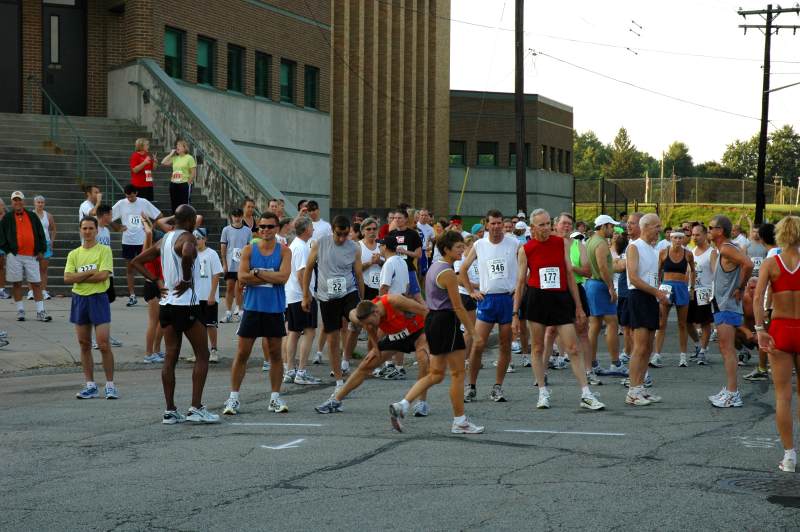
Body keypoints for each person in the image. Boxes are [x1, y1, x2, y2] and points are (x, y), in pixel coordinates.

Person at [130, 204, 219, 424]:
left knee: (170, 357)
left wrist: (157, 281)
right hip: (185, 304)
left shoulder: (166, 238)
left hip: (167, 303)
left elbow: (136, 261)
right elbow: (188, 252)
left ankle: (170, 410)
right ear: (189, 221)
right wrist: (187, 279)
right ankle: (196, 408)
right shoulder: (187, 237)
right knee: (203, 355)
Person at [389, 231, 484, 434]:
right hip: (445, 321)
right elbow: (458, 307)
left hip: (433, 320)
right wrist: (473, 333)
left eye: (462, 246)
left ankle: (402, 405)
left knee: (436, 374)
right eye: (458, 247)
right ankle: (460, 421)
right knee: (458, 373)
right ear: (447, 249)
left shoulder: (436, 267)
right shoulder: (448, 273)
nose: (462, 250)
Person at [514, 209, 604, 410]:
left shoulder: (561, 243)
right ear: (533, 228)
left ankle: (586, 394)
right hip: (537, 298)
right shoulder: (526, 249)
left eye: (548, 224)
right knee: (537, 347)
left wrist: (579, 307)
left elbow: (570, 276)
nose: (546, 228)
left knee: (572, 347)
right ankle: (542, 392)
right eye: (542, 225)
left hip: (561, 298)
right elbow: (520, 282)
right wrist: (514, 313)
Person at [223, 213, 292, 415]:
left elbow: (283, 277)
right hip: (252, 308)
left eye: (270, 227)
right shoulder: (248, 250)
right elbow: (242, 277)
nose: (265, 230)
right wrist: (267, 275)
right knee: (242, 353)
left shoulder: (284, 252)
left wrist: (257, 273)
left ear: (277, 228)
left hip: (274, 309)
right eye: (262, 227)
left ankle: (275, 398)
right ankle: (233, 398)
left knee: (275, 355)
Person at [317, 294, 431, 415]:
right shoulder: (364, 316)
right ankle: (335, 401)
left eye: (370, 322)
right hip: (397, 336)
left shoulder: (394, 301)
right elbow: (369, 327)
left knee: (423, 359)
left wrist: (430, 337)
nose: (369, 326)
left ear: (376, 313)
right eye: (365, 324)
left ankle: (422, 403)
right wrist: (376, 348)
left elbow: (425, 312)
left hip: (419, 330)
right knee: (366, 364)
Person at [754, 215, 800, 472]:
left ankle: (790, 456)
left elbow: (758, 297)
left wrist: (760, 329)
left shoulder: (771, 263)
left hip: (781, 329)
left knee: (783, 396)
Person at [460, 209, 519, 403]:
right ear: (487, 225)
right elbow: (463, 269)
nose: (496, 227)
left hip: (506, 299)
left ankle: (497, 387)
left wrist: (518, 292)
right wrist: (471, 291)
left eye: (499, 223)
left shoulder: (514, 243)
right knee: (478, 344)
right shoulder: (479, 244)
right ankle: (471, 386)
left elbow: (524, 270)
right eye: (492, 223)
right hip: (487, 300)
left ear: (503, 224)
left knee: (505, 345)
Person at [303, 215, 364, 391]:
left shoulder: (354, 248)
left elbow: (359, 275)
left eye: (346, 234)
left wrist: (362, 299)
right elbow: (308, 269)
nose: (342, 238)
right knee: (333, 338)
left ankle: (373, 351)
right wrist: (306, 295)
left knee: (358, 317)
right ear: (333, 231)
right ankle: (338, 380)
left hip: (348, 291)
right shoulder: (320, 243)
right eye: (339, 234)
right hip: (327, 297)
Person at [65, 216, 117, 399]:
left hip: (98, 299)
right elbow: (67, 278)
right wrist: (89, 272)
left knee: (103, 344)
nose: (87, 231)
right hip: (79, 299)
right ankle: (90, 385)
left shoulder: (104, 250)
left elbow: (103, 275)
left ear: (97, 230)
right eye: (84, 228)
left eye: (90, 228)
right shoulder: (74, 254)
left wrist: (79, 276)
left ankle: (110, 385)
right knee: (84, 344)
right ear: (80, 230)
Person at [707, 215, 754, 408]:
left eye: (711, 228)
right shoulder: (725, 249)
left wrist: (740, 287)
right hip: (724, 304)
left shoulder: (726, 248)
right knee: (727, 349)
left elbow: (749, 264)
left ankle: (733, 393)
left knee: (727, 350)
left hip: (726, 305)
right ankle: (730, 389)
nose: (708, 230)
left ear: (720, 231)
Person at [625, 213, 669, 406]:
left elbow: (653, 277)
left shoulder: (653, 250)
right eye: (656, 226)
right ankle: (632, 391)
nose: (659, 230)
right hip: (638, 297)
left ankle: (640, 387)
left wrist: (657, 298)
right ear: (646, 227)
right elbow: (633, 277)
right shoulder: (634, 247)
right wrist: (656, 293)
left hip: (650, 298)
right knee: (640, 346)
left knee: (648, 347)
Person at [0, 191, 51, 322]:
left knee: (36, 283)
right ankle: (20, 310)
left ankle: (40, 311)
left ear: (24, 201)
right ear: (12, 202)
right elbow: (1, 236)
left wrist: (41, 250)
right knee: (16, 283)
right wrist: (8, 250)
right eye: (15, 200)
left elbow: (41, 234)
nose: (17, 202)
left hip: (32, 255)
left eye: (19, 200)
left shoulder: (32, 216)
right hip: (14, 255)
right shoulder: (7, 218)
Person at [283, 216, 321, 385]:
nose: (313, 229)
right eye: (311, 227)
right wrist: (307, 295)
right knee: (309, 331)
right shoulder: (302, 247)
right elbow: (301, 274)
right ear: (306, 229)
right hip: (301, 295)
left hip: (292, 295)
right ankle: (301, 372)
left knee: (294, 332)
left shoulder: (295, 245)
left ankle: (290, 370)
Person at [585, 215, 624, 375]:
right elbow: (603, 267)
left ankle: (592, 363)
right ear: (604, 226)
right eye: (611, 226)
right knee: (612, 323)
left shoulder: (590, 241)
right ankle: (615, 363)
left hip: (592, 284)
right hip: (600, 285)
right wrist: (611, 288)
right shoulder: (600, 243)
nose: (613, 229)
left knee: (594, 325)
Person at [112, 184, 162, 307]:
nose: (129, 198)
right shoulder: (121, 203)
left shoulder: (143, 202)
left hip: (143, 241)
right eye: (127, 196)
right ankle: (132, 295)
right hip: (128, 241)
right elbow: (108, 217)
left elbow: (159, 216)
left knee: (148, 268)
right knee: (130, 268)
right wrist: (117, 227)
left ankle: (152, 293)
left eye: (132, 196)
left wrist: (151, 229)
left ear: (136, 193)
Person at [652, 228, 695, 368]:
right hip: (666, 287)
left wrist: (691, 288)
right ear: (670, 238)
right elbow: (657, 271)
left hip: (681, 287)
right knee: (661, 323)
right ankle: (657, 355)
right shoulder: (663, 252)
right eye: (675, 238)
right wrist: (657, 288)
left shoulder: (688, 254)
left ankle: (683, 356)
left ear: (684, 239)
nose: (677, 240)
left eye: (680, 238)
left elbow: (693, 271)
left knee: (682, 324)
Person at [745, 223, 777, 381]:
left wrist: (765, 307)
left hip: (773, 304)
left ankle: (764, 368)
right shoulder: (787, 252)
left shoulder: (772, 255)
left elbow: (769, 287)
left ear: (762, 238)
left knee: (765, 334)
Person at [191, 228, 223, 363]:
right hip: (195, 296)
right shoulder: (191, 254)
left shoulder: (212, 254)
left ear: (205, 239)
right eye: (195, 238)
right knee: (197, 325)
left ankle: (214, 349)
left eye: (199, 238)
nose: (197, 241)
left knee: (211, 324)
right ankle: (200, 351)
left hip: (208, 295)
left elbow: (216, 274)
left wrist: (212, 294)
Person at [687, 224, 717, 366]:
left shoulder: (712, 253)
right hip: (692, 290)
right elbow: (688, 272)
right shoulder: (691, 252)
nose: (694, 237)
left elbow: (715, 273)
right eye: (693, 235)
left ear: (705, 235)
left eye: (697, 235)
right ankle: (698, 344)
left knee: (705, 322)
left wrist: (713, 292)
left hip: (705, 291)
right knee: (687, 321)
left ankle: (704, 351)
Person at [220, 208, 252, 323]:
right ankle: (228, 312)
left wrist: (249, 264)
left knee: (240, 288)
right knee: (229, 288)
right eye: (235, 216)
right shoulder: (226, 230)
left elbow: (250, 248)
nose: (237, 218)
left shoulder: (247, 231)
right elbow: (223, 247)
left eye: (239, 216)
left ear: (242, 216)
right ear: (231, 217)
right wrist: (224, 263)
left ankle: (240, 311)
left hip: (242, 264)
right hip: (230, 263)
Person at [141, 217, 165, 364]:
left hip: (162, 286)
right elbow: (149, 233)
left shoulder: (160, 252)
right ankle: (148, 353)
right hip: (152, 286)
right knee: (153, 321)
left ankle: (156, 350)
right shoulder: (148, 251)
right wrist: (144, 221)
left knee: (162, 321)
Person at [388, 208, 424, 302]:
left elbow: (419, 254)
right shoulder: (391, 234)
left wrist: (405, 252)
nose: (397, 220)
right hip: (393, 270)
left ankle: (425, 314)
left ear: (406, 219)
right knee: (396, 297)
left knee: (417, 297)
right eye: (395, 218)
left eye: (400, 218)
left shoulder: (413, 234)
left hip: (408, 269)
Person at [454, 235, 480, 364]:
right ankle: (464, 359)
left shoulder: (475, 260)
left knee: (470, 330)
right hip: (465, 295)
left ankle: (468, 358)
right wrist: (478, 286)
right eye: (474, 247)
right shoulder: (460, 260)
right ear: (467, 246)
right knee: (469, 330)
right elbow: (459, 280)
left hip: (475, 296)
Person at [30, 195, 56, 301]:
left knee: (43, 269)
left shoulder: (48, 215)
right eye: (38, 202)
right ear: (34, 203)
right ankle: (31, 291)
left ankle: (43, 291)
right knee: (32, 269)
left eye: (42, 202)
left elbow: (54, 229)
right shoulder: (30, 215)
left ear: (44, 204)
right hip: (33, 244)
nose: (40, 204)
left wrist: (52, 241)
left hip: (45, 244)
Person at [160, 139, 196, 213]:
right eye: (176, 145)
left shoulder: (189, 158)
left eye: (179, 145)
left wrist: (188, 183)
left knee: (184, 204)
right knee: (174, 203)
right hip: (174, 183)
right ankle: (175, 219)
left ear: (184, 147)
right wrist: (170, 154)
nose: (177, 147)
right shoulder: (175, 158)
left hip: (184, 183)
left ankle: (185, 220)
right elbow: (163, 162)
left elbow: (193, 173)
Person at [129, 137, 157, 202]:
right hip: (139, 185)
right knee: (140, 205)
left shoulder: (147, 155)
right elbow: (135, 170)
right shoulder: (135, 156)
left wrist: (155, 161)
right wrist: (144, 163)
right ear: (141, 146)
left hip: (149, 184)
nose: (148, 146)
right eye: (147, 145)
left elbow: (153, 168)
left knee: (149, 203)